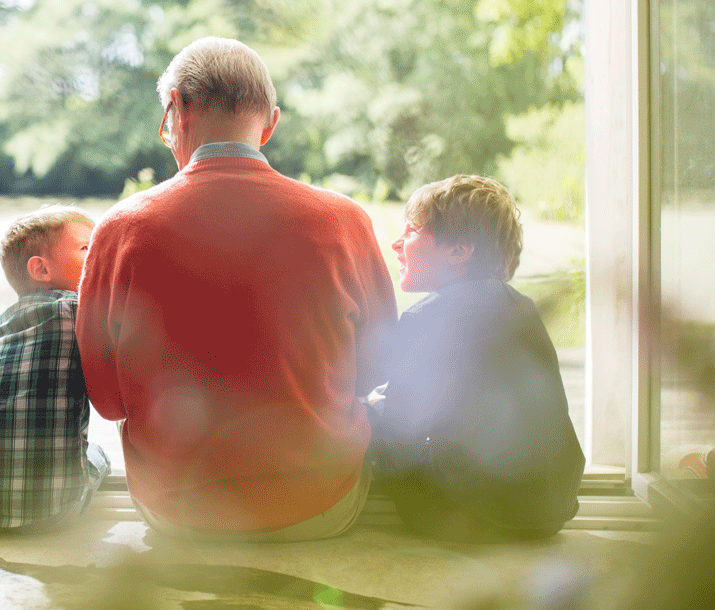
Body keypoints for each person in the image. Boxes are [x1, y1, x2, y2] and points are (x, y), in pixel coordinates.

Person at [76, 37, 397, 541]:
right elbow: (376, 371)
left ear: (177, 109)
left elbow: (109, 402)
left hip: (178, 514)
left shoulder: (122, 228)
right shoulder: (344, 222)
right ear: (269, 123)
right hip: (319, 506)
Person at [370, 174, 585, 542]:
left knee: (362, 415)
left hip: (459, 517)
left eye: (412, 231)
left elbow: (399, 439)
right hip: (548, 512)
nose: (396, 243)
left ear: (458, 251)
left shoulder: (425, 316)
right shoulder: (525, 309)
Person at [0, 205, 110, 532]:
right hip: (49, 511)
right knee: (99, 455)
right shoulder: (77, 310)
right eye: (88, 248)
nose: (100, 256)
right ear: (41, 270)